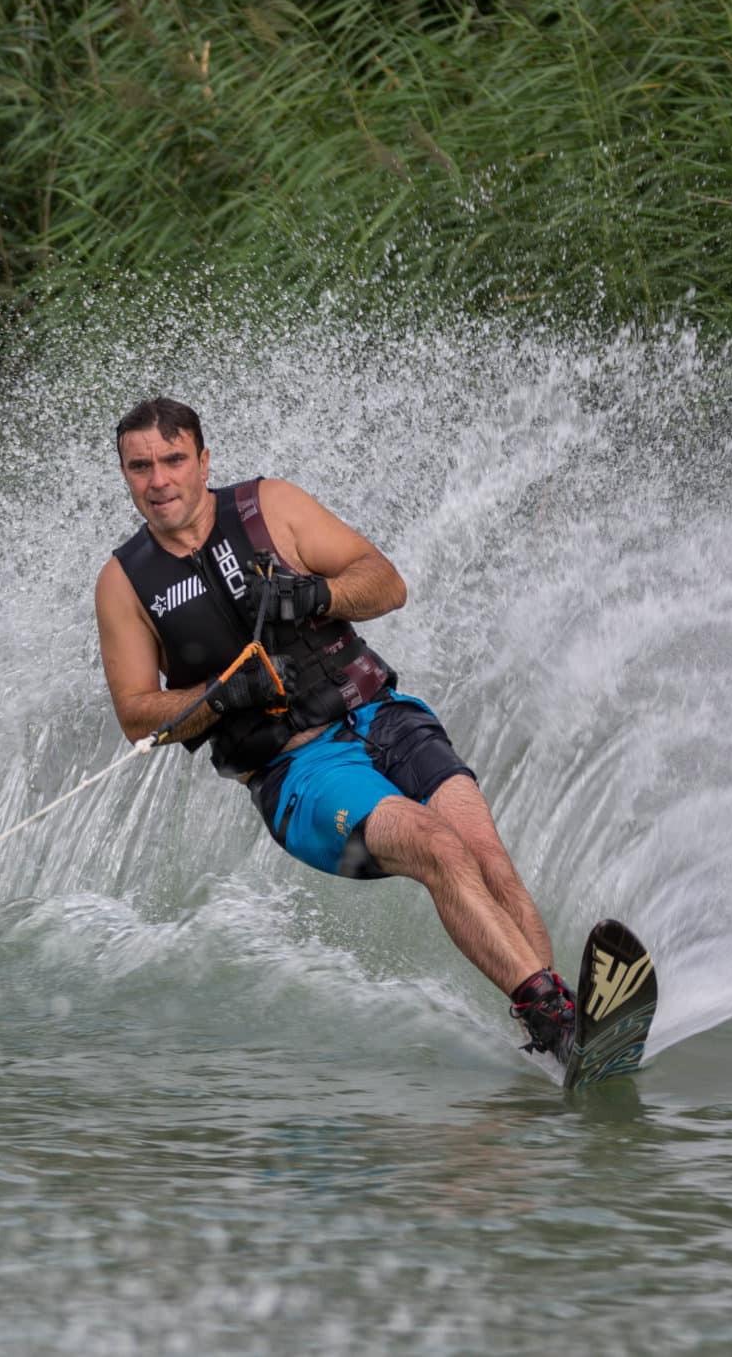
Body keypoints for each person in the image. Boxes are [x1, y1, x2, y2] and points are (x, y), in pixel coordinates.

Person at [93, 397, 580, 1059]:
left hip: (382, 715)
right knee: (437, 846)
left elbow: (386, 583)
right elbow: (135, 713)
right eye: (140, 467)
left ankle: (557, 1026)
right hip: (298, 771)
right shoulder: (125, 584)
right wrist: (221, 695)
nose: (159, 480)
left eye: (173, 460)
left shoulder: (269, 507)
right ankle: (551, 1012)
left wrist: (316, 594)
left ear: (204, 462)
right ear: (125, 474)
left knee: (485, 854)